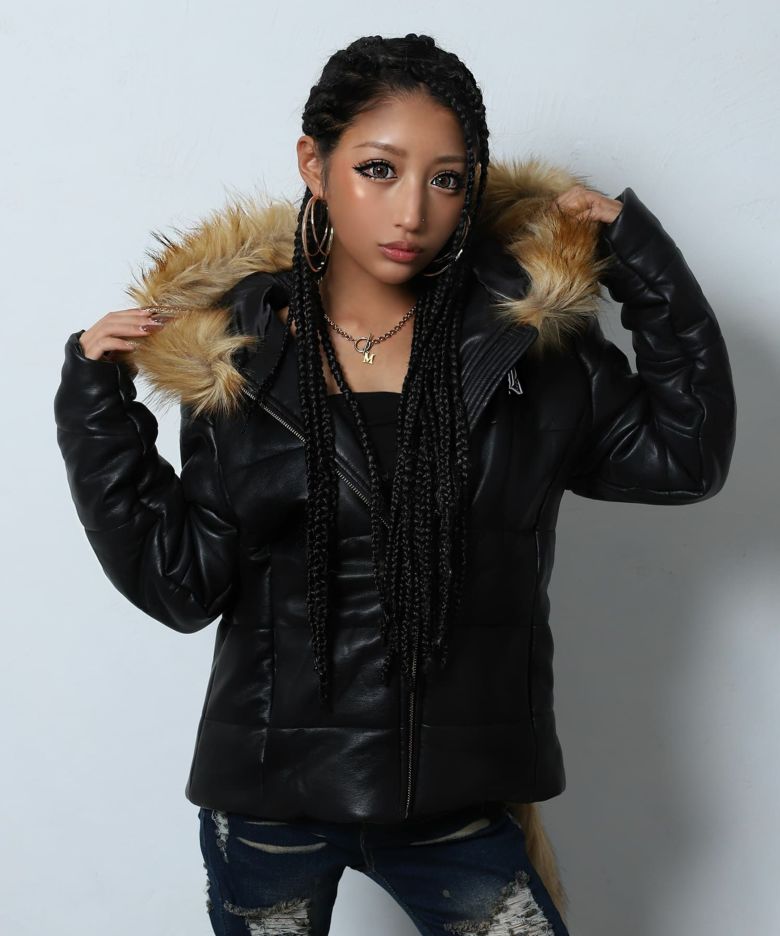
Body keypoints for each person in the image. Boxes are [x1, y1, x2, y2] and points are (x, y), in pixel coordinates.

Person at [53, 32, 736, 936]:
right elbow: (182, 584)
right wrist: (95, 405)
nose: (412, 211)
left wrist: (640, 256)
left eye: (446, 179)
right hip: (269, 805)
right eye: (378, 169)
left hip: (459, 806)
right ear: (315, 163)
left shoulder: (528, 346)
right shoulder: (238, 355)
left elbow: (685, 456)